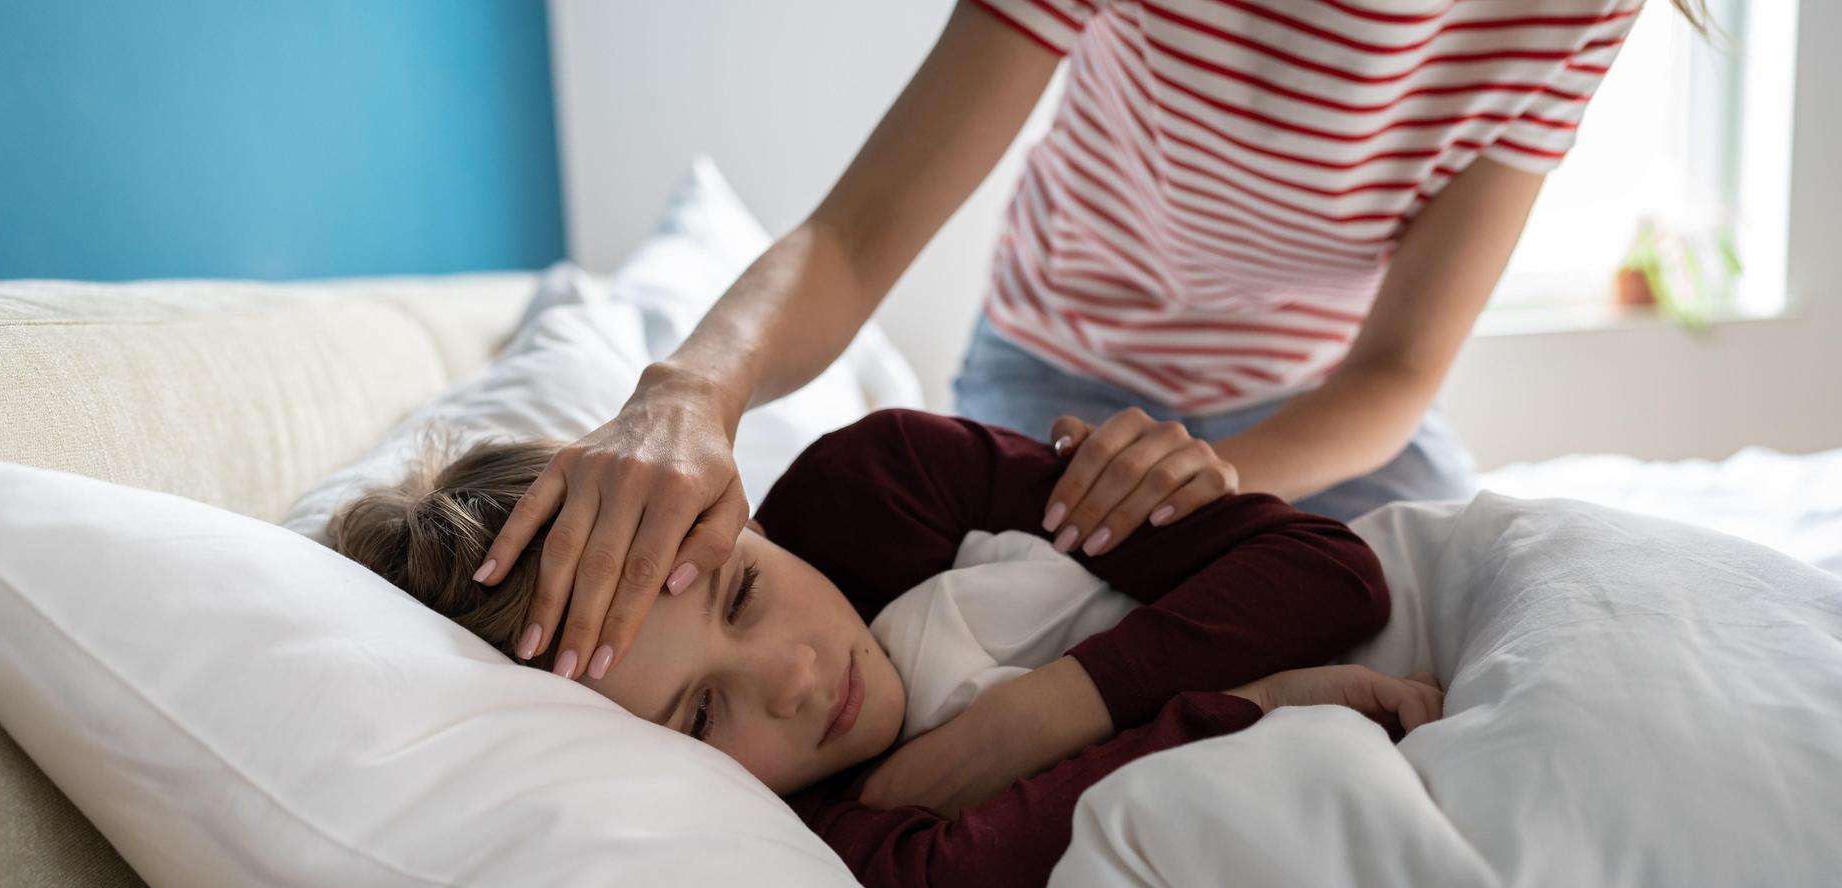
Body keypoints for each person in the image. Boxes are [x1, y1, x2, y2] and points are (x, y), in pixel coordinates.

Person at [471, 0, 1689, 692]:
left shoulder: (1573, 14)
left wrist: (1219, 484)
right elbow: (853, 238)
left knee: (1483, 646)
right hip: (1058, 372)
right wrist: (689, 388)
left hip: (1321, 410)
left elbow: (1399, 371)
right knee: (990, 670)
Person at [331, 408, 1442, 888]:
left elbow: (1331, 576)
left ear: (739, 523)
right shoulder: (810, 843)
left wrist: (1041, 714)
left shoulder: (888, 480)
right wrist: (1249, 703)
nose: (797, 679)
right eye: (700, 718)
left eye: (745, 592)